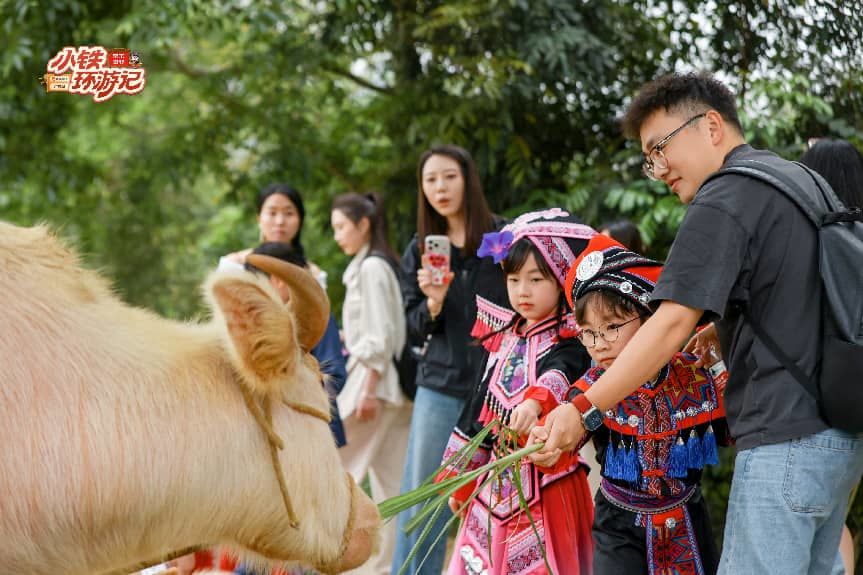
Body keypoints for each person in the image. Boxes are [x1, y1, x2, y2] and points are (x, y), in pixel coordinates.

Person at [529, 72, 863, 574]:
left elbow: (668, 324)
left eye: (661, 146)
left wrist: (583, 408)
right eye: (649, 158)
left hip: (784, 439)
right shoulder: (798, 180)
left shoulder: (725, 195)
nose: (658, 167)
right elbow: (802, 296)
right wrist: (722, 329)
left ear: (710, 126)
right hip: (839, 437)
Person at [438, 208, 596, 575]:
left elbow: (562, 370)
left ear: (559, 281)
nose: (522, 292)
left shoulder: (572, 338)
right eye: (513, 280)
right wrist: (460, 481)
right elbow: (476, 408)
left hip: (550, 480)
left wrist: (535, 403)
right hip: (494, 483)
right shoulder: (502, 338)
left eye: (536, 279)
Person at [566, 233, 727, 575]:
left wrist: (721, 363)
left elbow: (740, 429)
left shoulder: (695, 375)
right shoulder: (595, 387)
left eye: (611, 327)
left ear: (650, 320)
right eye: (588, 333)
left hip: (686, 521)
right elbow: (567, 431)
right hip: (618, 526)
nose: (599, 344)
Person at [392, 144, 511, 575]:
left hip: (501, 389)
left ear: (468, 180)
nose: (440, 188)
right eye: (430, 180)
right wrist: (435, 301)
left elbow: (526, 303)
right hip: (439, 387)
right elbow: (413, 326)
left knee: (502, 503)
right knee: (423, 502)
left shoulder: (503, 239)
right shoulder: (419, 251)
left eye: (449, 176)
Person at [330, 192, 412, 575]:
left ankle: (323, 555)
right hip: (385, 387)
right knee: (391, 484)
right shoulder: (372, 266)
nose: (338, 236)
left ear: (363, 225)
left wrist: (368, 387)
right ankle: (386, 567)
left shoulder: (372, 269)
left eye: (341, 227)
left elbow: (381, 335)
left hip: (375, 384)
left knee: (328, 463)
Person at [800, 137, 863, 575]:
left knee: (826, 517)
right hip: (857, 403)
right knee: (840, 514)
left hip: (820, 409)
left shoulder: (811, 241)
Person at [220, 183, 327, 289]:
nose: (280, 222)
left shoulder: (313, 274)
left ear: (300, 220)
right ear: (259, 219)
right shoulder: (235, 264)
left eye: (289, 213)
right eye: (272, 213)